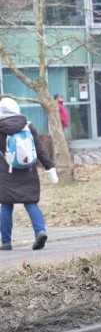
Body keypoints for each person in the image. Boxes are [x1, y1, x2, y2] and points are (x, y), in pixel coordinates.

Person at [0, 98, 57, 251]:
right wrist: (49, 167)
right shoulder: (28, 126)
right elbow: (40, 150)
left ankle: (6, 242)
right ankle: (40, 231)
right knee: (31, 203)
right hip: (28, 172)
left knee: (6, 205)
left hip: (6, 174)